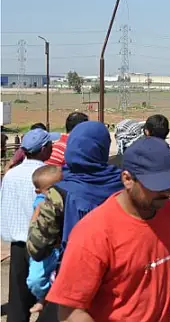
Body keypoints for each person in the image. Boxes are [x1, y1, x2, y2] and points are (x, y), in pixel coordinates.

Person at [45, 137, 170, 321]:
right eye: (156, 185)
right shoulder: (93, 233)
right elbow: (70, 312)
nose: (166, 192)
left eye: (169, 184)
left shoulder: (165, 211)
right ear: (127, 179)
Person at [27, 121, 125, 263]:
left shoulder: (59, 191)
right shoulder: (126, 183)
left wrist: (38, 210)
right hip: (120, 269)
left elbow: (36, 248)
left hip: (76, 269)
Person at [0, 128, 56, 322]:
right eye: (50, 144)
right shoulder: (48, 175)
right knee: (47, 296)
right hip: (42, 245)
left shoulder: (10, 175)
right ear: (43, 148)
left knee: (17, 301)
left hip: (17, 244)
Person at [26, 165, 63, 316]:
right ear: (38, 191)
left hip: (58, 248)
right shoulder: (41, 202)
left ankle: (46, 299)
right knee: (35, 279)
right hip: (45, 248)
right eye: (49, 189)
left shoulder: (60, 198)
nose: (54, 192)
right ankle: (42, 297)